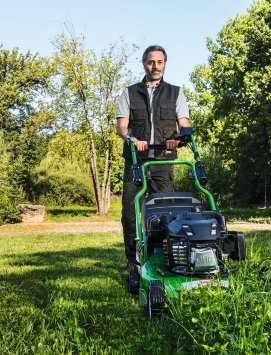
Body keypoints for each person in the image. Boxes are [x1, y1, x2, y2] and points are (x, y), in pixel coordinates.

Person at [116, 45, 190, 277]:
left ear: (165, 64)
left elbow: (184, 123)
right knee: (129, 212)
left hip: (163, 161)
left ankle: (164, 256)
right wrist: (132, 139)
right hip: (136, 162)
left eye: (159, 62)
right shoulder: (129, 92)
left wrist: (178, 139)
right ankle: (133, 261)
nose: (155, 66)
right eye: (151, 62)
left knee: (167, 213)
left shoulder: (176, 93)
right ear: (144, 64)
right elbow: (121, 126)